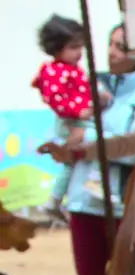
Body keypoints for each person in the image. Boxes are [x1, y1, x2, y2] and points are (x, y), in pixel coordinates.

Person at [41, 26, 135, 275]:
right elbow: (65, 122)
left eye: (121, 47)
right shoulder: (89, 83)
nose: (111, 52)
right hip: (83, 201)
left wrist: (85, 145)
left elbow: (134, 150)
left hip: (121, 206)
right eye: (110, 44)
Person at [34, 16, 107, 216]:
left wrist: (97, 96)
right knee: (100, 142)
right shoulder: (54, 72)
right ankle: (96, 181)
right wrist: (79, 112)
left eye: (80, 47)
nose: (79, 52)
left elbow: (82, 92)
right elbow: (55, 98)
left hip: (78, 119)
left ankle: (55, 199)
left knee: (71, 163)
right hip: (71, 121)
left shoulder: (71, 70)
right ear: (57, 48)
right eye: (73, 47)